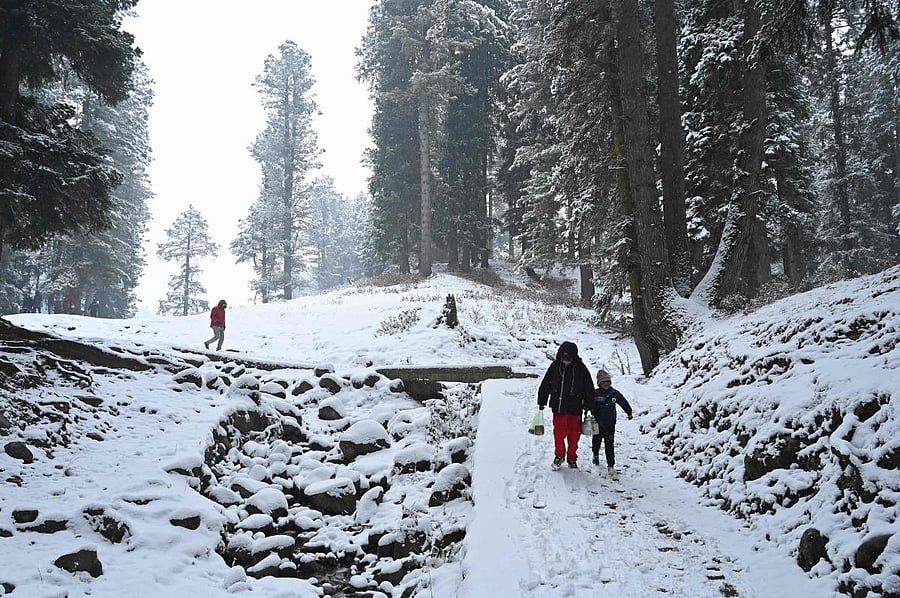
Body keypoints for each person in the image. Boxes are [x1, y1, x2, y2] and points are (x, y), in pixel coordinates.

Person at [537, 341, 594, 470]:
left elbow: (589, 388)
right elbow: (546, 385)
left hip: (575, 408)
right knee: (559, 434)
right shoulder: (555, 367)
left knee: (574, 436)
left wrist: (589, 405)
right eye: (564, 358)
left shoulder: (581, 369)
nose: (566, 361)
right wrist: (542, 401)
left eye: (568, 359)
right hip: (559, 408)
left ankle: (572, 458)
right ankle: (559, 456)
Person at [586, 369, 633, 479]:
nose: (606, 384)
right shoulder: (595, 393)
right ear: (599, 383)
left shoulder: (614, 394)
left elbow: (623, 402)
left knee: (609, 445)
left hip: (610, 424)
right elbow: (588, 402)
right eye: (603, 382)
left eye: (608, 381)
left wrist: (629, 412)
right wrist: (587, 409)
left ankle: (611, 465)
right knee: (596, 441)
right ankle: (595, 454)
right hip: (597, 423)